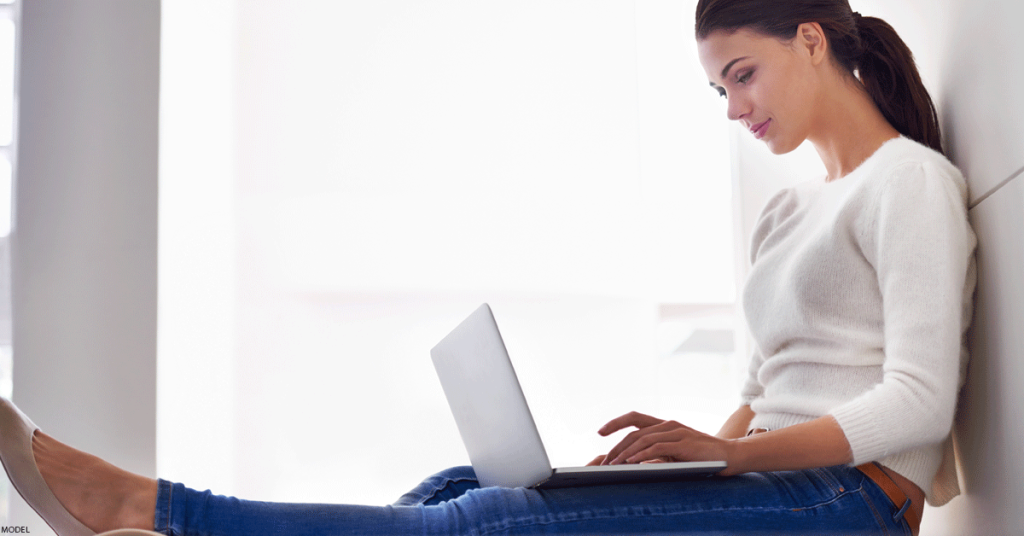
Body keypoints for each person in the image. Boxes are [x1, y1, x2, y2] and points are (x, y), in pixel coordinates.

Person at [0, 0, 976, 534]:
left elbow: (919, 407)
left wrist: (726, 456)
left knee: (494, 521)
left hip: (846, 506)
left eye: (740, 74)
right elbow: (763, 390)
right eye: (717, 87)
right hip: (768, 485)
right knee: (451, 483)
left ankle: (150, 509)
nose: (730, 106)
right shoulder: (785, 211)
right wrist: (658, 464)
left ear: (810, 39)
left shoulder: (910, 183)